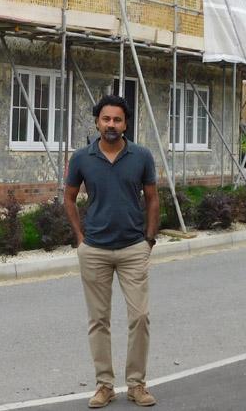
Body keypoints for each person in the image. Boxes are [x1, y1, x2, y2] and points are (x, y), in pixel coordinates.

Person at [64, 94, 159, 408]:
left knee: (140, 317)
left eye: (117, 119)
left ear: (126, 123)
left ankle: (137, 384)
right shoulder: (81, 158)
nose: (111, 125)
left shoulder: (142, 156)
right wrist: (80, 239)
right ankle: (104, 385)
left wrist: (149, 239)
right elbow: (69, 198)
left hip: (133, 248)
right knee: (98, 320)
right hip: (95, 251)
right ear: (97, 121)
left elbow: (152, 198)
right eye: (106, 119)